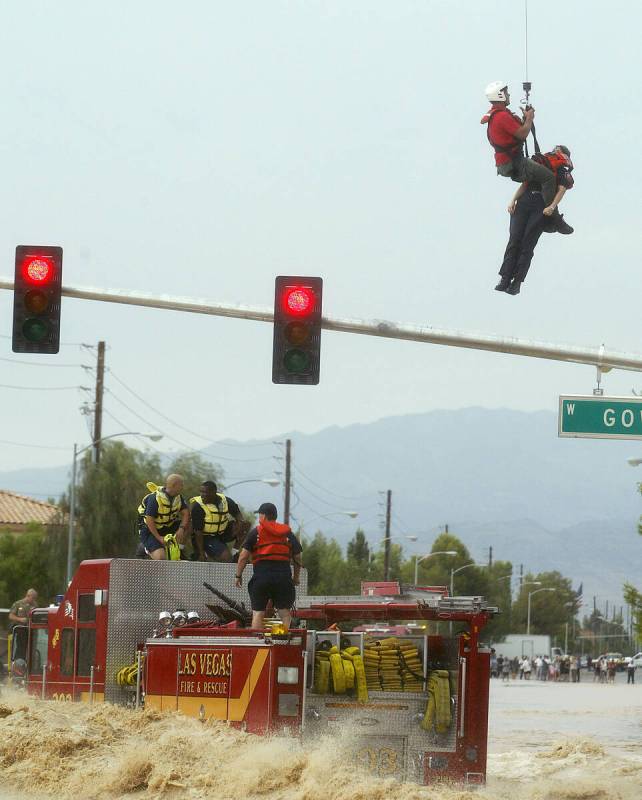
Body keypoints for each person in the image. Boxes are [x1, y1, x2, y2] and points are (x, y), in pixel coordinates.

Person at [495, 145, 575, 295]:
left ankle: (516, 282)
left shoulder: (560, 169)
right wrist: (513, 200)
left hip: (540, 207)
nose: (555, 150)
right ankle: (505, 278)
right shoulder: (542, 164)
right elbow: (525, 184)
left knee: (526, 243)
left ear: (563, 154)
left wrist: (552, 206)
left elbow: (562, 190)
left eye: (558, 150)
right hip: (526, 203)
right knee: (515, 240)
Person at [234, 502, 303, 631]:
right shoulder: (287, 533)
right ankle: (283, 642)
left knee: (258, 613)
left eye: (260, 514)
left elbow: (243, 556)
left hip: (262, 578)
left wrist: (238, 575)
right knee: (284, 613)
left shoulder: (257, 532)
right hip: (283, 578)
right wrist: (296, 577)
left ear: (264, 516)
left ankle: (258, 642)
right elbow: (298, 556)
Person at [138, 474, 189, 560]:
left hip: (167, 526)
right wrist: (159, 538)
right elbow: (149, 520)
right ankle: (144, 547)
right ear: (174, 485)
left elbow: (186, 513)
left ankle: (179, 549)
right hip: (150, 530)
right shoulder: (154, 499)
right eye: (181, 484)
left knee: (190, 523)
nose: (183, 487)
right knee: (161, 558)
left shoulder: (178, 498)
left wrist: (181, 529)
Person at [190, 481, 243, 562]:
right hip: (206, 537)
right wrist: (201, 552)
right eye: (201, 492)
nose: (202, 495)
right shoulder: (198, 507)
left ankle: (234, 553)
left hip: (222, 533)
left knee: (245, 525)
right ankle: (209, 554)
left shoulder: (225, 501)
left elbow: (238, 515)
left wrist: (239, 524)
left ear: (213, 492)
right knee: (226, 557)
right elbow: (198, 532)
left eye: (205, 492)